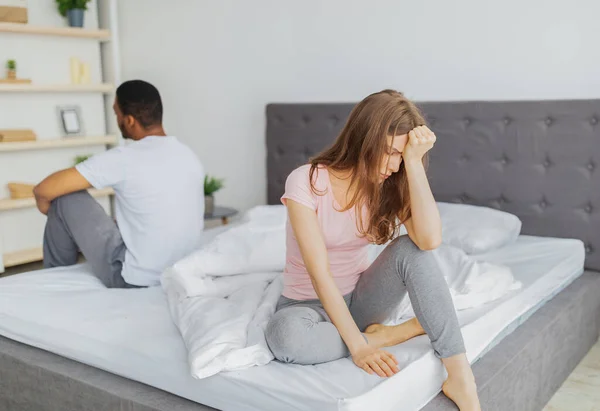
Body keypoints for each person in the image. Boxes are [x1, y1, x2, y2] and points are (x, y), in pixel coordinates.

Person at [265, 90, 481, 410]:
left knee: (412, 248)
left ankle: (460, 377)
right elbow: (319, 272)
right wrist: (362, 346)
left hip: (362, 301)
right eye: (391, 152)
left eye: (401, 156)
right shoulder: (307, 181)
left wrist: (414, 162)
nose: (394, 166)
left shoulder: (391, 183)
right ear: (364, 138)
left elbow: (429, 241)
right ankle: (392, 333)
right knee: (285, 340)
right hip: (305, 303)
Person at [33, 80, 205, 288]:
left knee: (65, 197)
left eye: (117, 114)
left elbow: (43, 189)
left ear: (130, 120)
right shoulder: (187, 155)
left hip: (135, 279)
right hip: (180, 274)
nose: (117, 120)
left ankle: (54, 280)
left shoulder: (125, 158)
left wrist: (51, 211)